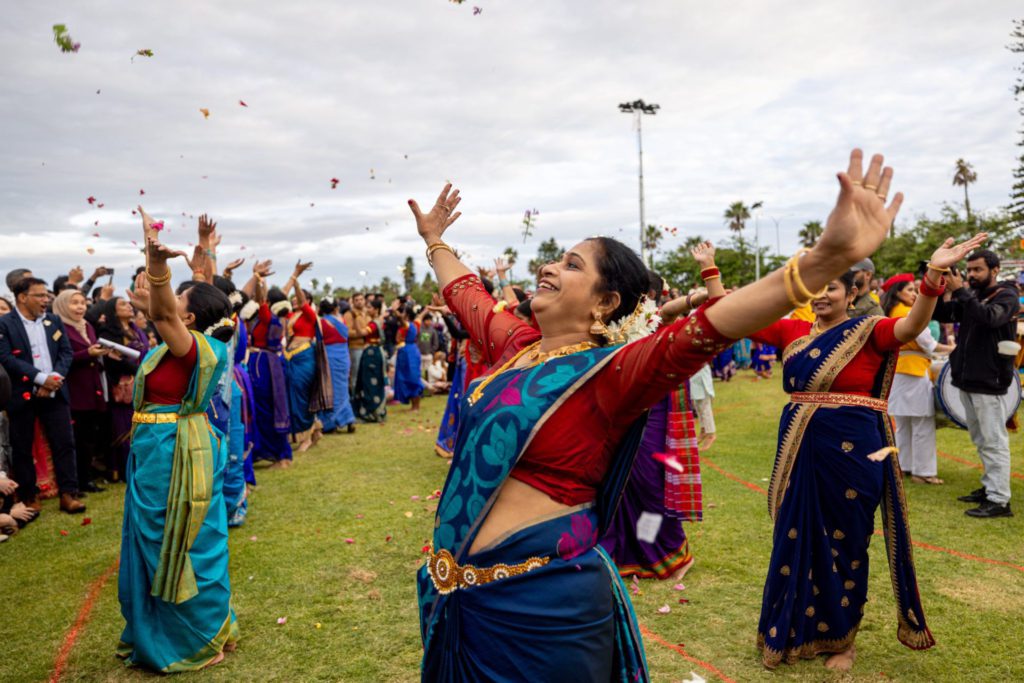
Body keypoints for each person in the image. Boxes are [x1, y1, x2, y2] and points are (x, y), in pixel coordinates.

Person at [410, 150, 916, 681]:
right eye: (557, 258)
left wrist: (822, 262)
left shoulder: (613, 373)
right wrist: (435, 240)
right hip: (456, 595)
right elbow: (465, 292)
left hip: (541, 607)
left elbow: (711, 327)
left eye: (571, 265)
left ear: (605, 303)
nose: (549, 266)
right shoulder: (517, 346)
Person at [750, 230, 985, 671]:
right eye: (816, 288)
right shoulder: (794, 334)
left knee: (847, 541)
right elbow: (738, 316)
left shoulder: (869, 331)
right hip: (800, 448)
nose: (821, 295)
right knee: (792, 538)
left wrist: (934, 275)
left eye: (831, 287)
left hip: (854, 452)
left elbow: (912, 325)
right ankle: (790, 630)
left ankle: (843, 640)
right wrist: (708, 275)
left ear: (852, 290)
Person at [117, 207, 238, 672]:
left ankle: (193, 638)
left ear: (188, 315)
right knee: (176, 538)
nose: (158, 300)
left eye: (175, 301)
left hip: (175, 453)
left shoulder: (194, 348)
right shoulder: (191, 342)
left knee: (183, 541)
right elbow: (199, 289)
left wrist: (158, 264)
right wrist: (203, 250)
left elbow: (166, 309)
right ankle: (194, 630)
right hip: (162, 448)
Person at [933, 249, 1019, 518]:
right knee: (981, 440)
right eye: (969, 270)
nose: (971, 275)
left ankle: (999, 500)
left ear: (995, 270)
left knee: (994, 441)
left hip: (990, 379)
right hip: (969, 378)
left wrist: (962, 292)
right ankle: (990, 487)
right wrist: (940, 287)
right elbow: (944, 315)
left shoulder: (1006, 296)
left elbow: (989, 318)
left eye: (977, 270)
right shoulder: (972, 296)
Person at [0, 277, 85, 514]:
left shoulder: (54, 321)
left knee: (64, 443)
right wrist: (40, 378)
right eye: (39, 296)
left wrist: (54, 378)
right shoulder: (5, 324)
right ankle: (29, 496)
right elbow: (6, 358)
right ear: (22, 297)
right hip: (23, 394)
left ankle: (69, 494)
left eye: (46, 295)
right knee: (22, 446)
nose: (45, 300)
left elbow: (66, 353)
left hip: (55, 392)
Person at [881, 274, 953, 485]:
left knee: (903, 423)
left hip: (897, 371)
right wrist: (953, 349)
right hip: (913, 371)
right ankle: (923, 472)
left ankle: (904, 466)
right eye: (910, 290)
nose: (914, 294)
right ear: (898, 293)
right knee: (922, 423)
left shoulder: (891, 312)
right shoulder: (909, 313)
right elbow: (928, 344)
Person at [52, 290, 109, 493]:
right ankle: (74, 482)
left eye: (83, 303)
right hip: (74, 390)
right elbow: (61, 358)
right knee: (75, 439)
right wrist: (88, 353)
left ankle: (87, 479)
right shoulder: (59, 327)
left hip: (93, 388)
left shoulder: (87, 325)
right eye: (74, 303)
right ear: (62, 305)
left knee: (89, 438)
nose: (80, 307)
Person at [246, 264, 293, 467]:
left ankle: (278, 454)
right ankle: (277, 453)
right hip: (273, 364)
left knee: (265, 408)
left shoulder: (266, 317)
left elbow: (260, 299)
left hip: (263, 365)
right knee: (275, 407)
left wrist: (258, 279)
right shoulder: (279, 319)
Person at [98, 296, 149, 481]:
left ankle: (141, 466)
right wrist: (138, 370)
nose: (128, 306)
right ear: (112, 310)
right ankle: (121, 469)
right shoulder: (108, 332)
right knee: (123, 427)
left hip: (142, 382)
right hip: (122, 387)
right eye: (122, 304)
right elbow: (112, 361)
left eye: (129, 303)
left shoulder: (136, 330)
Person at [318, 298, 357, 434]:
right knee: (343, 389)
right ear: (336, 308)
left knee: (330, 390)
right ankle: (349, 419)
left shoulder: (321, 323)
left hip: (330, 357)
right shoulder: (342, 321)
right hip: (343, 356)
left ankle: (331, 423)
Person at [352, 299, 388, 423]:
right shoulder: (378, 321)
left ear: (376, 309)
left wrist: (356, 318)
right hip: (374, 353)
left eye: (370, 307)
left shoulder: (374, 324)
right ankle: (376, 411)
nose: (368, 310)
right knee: (372, 381)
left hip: (372, 354)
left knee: (370, 383)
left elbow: (361, 332)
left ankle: (371, 412)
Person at [393, 303, 425, 410]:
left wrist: (395, 311)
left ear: (406, 315)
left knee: (412, 377)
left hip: (408, 352)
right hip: (408, 351)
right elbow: (422, 314)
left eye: (403, 313)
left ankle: (416, 406)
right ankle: (414, 405)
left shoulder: (408, 325)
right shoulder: (415, 323)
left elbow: (400, 319)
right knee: (406, 377)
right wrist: (430, 307)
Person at [344, 293, 371, 392]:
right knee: (355, 373)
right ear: (353, 302)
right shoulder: (349, 314)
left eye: (361, 299)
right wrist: (363, 333)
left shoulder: (367, 313)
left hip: (368, 347)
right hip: (355, 347)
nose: (359, 302)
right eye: (357, 300)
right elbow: (347, 332)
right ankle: (354, 396)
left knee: (367, 372)